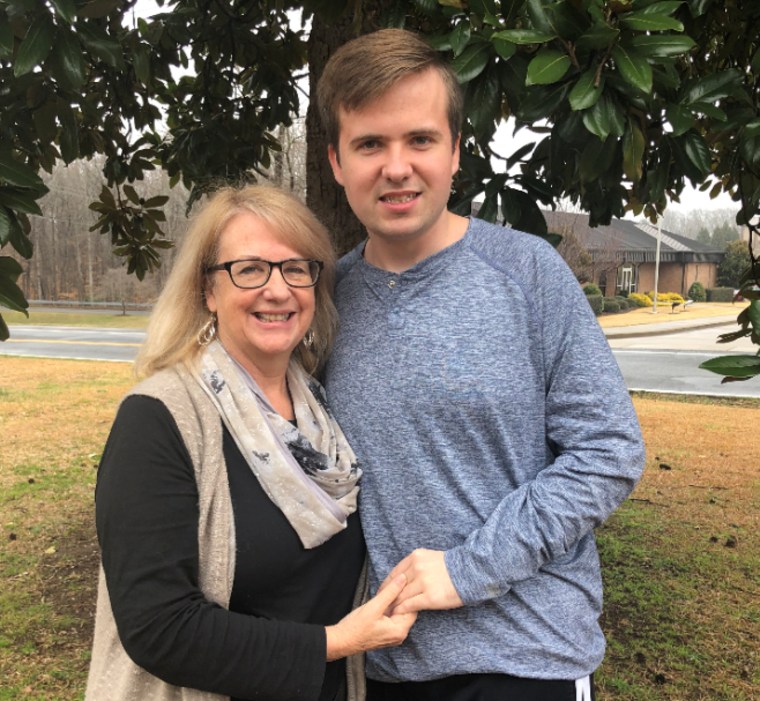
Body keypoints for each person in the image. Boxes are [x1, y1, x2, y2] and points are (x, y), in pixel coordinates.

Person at [317, 28, 646, 701]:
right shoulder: (325, 302)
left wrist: (467, 569)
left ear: (456, 151)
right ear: (336, 161)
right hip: (381, 661)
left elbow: (608, 451)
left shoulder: (527, 273)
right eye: (370, 144)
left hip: (526, 655)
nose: (397, 166)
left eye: (420, 139)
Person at [85, 184, 416, 701]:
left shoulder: (321, 410)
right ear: (208, 291)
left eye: (295, 268)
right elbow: (158, 627)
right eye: (250, 269)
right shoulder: (158, 418)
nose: (278, 289)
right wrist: (338, 641)